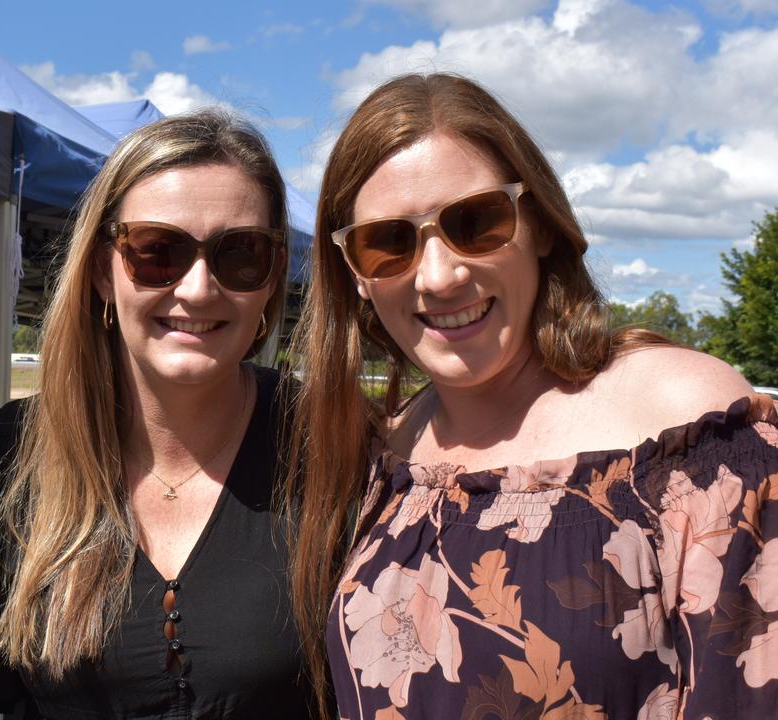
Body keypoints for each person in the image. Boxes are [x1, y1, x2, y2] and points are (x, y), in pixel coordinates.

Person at [292, 72, 778, 719]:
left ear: (542, 225)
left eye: (476, 221)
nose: (439, 276)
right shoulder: (385, 455)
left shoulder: (685, 423)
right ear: (354, 274)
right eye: (388, 243)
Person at [0, 109, 317, 718]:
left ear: (273, 276)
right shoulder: (7, 458)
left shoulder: (331, 446)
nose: (199, 289)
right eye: (158, 251)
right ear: (104, 271)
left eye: (240, 254)